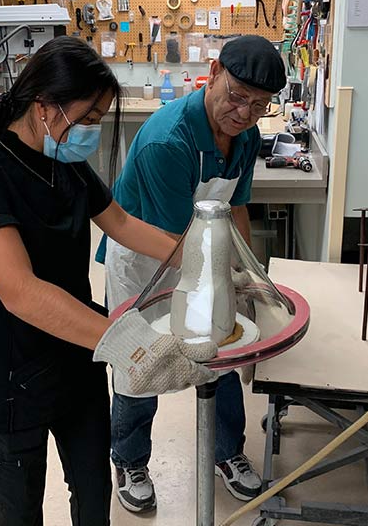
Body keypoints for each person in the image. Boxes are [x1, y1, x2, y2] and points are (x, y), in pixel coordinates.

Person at [0, 36, 217, 526]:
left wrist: (201, 259)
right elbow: (20, 292)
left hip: (76, 358)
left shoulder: (67, 164)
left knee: (93, 494)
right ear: (45, 106)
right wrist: (130, 344)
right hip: (10, 373)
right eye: (88, 117)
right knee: (18, 509)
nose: (92, 130)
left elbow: (122, 224)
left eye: (99, 119)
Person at [96, 35, 287, 512]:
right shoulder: (169, 139)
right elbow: (172, 242)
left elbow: (236, 207)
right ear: (215, 70)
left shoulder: (246, 137)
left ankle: (228, 452)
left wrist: (250, 273)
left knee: (219, 348)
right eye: (238, 96)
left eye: (259, 105)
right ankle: (131, 458)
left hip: (205, 251)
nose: (243, 113)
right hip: (148, 255)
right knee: (143, 361)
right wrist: (223, 281)